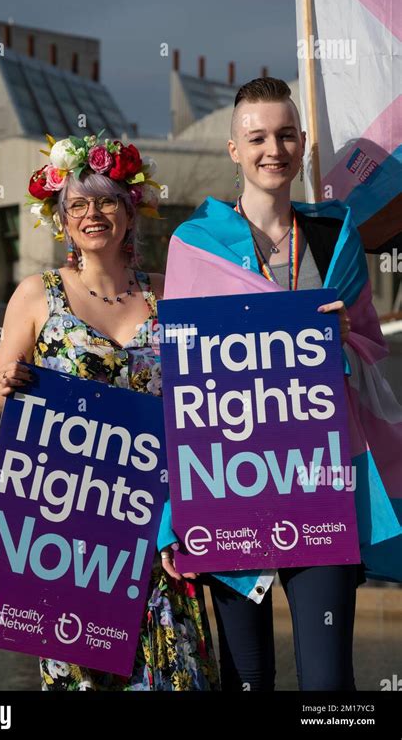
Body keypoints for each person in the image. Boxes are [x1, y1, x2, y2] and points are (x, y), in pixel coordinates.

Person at [159, 77, 402, 691]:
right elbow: (177, 389)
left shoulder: (335, 235)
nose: (275, 148)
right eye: (258, 136)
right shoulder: (194, 245)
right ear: (233, 150)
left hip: (320, 487)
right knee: (249, 679)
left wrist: (344, 337)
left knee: (328, 685)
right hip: (228, 488)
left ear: (301, 144)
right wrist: (170, 517)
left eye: (287, 135)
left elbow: (373, 350)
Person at [0, 132, 219, 691]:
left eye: (107, 200)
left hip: (159, 526)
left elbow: (224, 378)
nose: (93, 214)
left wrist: (320, 327)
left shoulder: (171, 294)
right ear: (63, 220)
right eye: (79, 204)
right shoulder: (37, 294)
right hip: (73, 532)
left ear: (131, 210)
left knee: (173, 674)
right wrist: (7, 387)